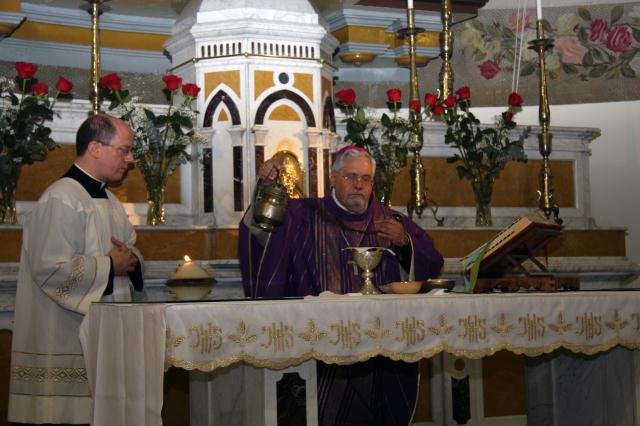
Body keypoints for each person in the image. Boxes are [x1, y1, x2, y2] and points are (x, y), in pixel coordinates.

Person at [238, 146, 443, 425]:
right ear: (333, 178)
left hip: (378, 355)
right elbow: (260, 229)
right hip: (318, 352)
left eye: (366, 178)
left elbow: (432, 261)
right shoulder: (302, 215)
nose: (359, 184)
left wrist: (404, 242)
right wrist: (267, 188)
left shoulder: (390, 222)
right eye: (351, 177)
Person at [9, 114, 144, 425]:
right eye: (124, 150)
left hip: (106, 338)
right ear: (95, 147)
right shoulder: (60, 198)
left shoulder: (110, 201)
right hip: (64, 337)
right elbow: (50, 269)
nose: (130, 159)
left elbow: (129, 248)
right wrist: (111, 265)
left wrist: (130, 260)